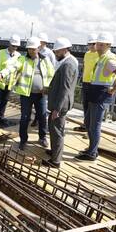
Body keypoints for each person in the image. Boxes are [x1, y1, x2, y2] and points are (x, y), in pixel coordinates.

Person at [0, 37, 54, 150]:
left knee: (42, 116)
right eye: (29, 49)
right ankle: (23, 140)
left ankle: (42, 137)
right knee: (25, 118)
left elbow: (51, 74)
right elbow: (12, 68)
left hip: (41, 95)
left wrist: (47, 87)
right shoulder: (23, 60)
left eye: (33, 49)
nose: (30, 51)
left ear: (38, 48)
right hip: (26, 95)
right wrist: (1, 74)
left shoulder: (45, 60)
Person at [75, 32, 116, 161]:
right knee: (88, 122)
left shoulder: (108, 59)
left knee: (95, 125)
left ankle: (92, 153)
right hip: (95, 93)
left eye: (101, 44)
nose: (98, 46)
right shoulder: (102, 57)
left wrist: (113, 89)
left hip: (101, 95)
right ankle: (91, 148)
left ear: (108, 45)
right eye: (97, 44)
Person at [73, 34, 116, 132]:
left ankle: (90, 129)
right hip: (85, 83)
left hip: (94, 84)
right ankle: (86, 126)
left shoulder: (101, 54)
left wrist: (113, 78)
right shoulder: (87, 54)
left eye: (93, 44)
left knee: (92, 110)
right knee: (86, 106)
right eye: (89, 44)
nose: (91, 46)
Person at [42, 38, 78, 168]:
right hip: (59, 103)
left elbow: (65, 88)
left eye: (57, 52)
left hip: (60, 105)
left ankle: (55, 161)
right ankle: (54, 151)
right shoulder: (68, 61)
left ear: (64, 49)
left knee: (57, 131)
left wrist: (57, 109)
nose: (56, 54)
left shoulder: (68, 64)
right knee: (53, 129)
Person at [0, 34, 21, 127]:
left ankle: (1, 117)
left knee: (5, 100)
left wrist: (16, 79)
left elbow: (19, 69)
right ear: (9, 44)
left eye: (16, 46)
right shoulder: (1, 53)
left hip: (9, 83)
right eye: (13, 46)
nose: (15, 48)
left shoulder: (18, 55)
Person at [31, 33, 56, 127]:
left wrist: (48, 85)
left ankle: (41, 122)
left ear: (44, 42)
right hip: (34, 84)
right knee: (37, 105)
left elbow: (52, 68)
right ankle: (36, 120)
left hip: (44, 84)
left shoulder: (49, 53)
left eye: (40, 42)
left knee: (42, 105)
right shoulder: (34, 51)